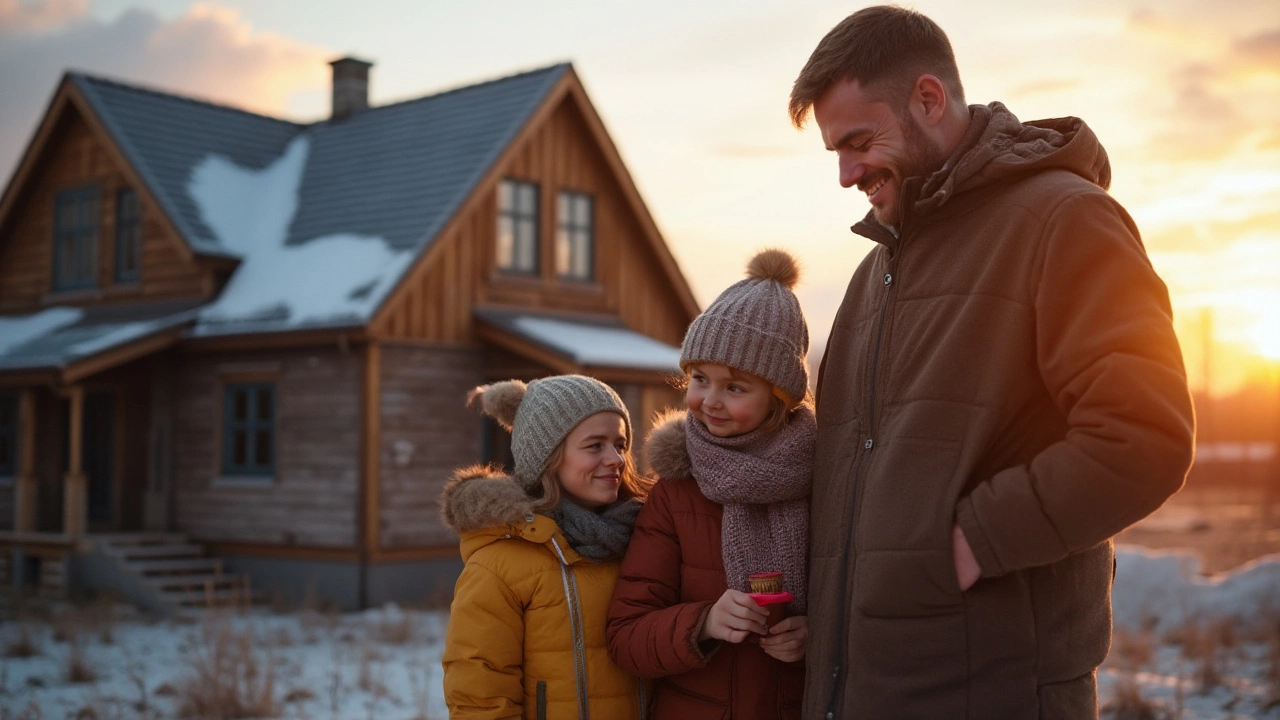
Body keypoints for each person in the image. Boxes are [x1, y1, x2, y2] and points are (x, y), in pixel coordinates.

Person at [786, 6, 1196, 719]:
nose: (847, 174)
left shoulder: (1065, 220)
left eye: (859, 141)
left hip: (995, 691)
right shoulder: (871, 277)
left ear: (929, 99)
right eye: (835, 153)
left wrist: (977, 539)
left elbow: (1143, 437)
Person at [607, 249, 814, 719]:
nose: (711, 401)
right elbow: (625, 637)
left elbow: (860, 608)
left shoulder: (824, 485)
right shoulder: (675, 492)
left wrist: (814, 635)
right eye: (700, 379)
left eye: (736, 387)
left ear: (778, 397)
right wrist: (703, 623)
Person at [439, 374, 651, 719]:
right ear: (547, 457)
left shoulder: (644, 541)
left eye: (621, 444)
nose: (616, 459)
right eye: (595, 445)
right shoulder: (498, 564)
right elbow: (480, 697)